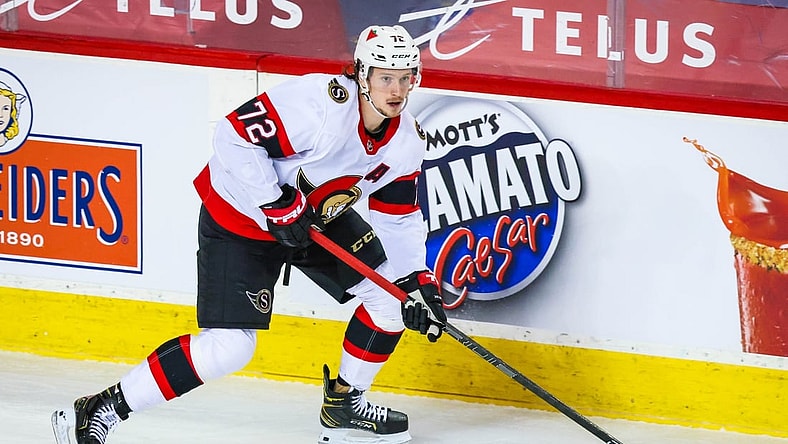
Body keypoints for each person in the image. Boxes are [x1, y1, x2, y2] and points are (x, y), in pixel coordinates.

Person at [51, 24, 447, 444]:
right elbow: (233, 136)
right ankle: (101, 407)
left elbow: (399, 218)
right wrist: (274, 203)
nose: (396, 90)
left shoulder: (406, 141)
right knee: (230, 347)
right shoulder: (319, 105)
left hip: (313, 220)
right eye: (385, 77)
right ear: (361, 74)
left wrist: (416, 282)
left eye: (405, 78)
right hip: (241, 216)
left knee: (390, 300)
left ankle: (345, 405)